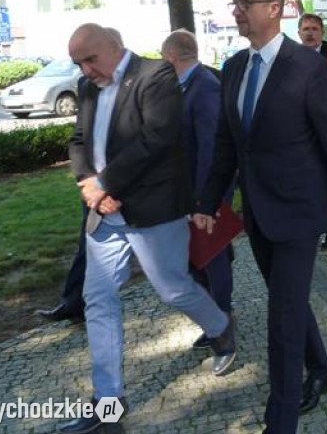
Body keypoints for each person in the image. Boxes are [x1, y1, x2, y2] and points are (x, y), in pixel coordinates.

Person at [200, 0, 327, 433]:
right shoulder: (234, 67)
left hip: (298, 211)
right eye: (233, 3)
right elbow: (226, 144)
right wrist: (208, 201)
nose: (235, 11)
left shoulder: (307, 67)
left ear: (274, 9)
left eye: (244, 3)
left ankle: (280, 420)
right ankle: (321, 370)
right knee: (287, 300)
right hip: (257, 212)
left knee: (283, 316)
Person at [60, 24, 234, 434]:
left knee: (173, 288)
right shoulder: (88, 88)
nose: (85, 70)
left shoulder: (156, 75)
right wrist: (90, 185)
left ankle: (221, 326)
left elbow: (156, 140)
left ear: (115, 48)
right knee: (98, 301)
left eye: (90, 59)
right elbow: (78, 140)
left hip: (154, 210)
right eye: (78, 64)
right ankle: (109, 405)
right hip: (104, 213)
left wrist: (107, 183)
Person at [161, 28, 235, 350]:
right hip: (192, 191)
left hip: (205, 192)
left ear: (170, 57)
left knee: (211, 256)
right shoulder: (188, 84)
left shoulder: (203, 87)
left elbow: (211, 149)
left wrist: (206, 200)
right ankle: (214, 319)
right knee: (202, 257)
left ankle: (222, 320)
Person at [298, 13, 327, 77]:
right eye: (306, 29)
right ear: (299, 34)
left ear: (322, 33)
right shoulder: (291, 59)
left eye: (314, 29)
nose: (310, 33)